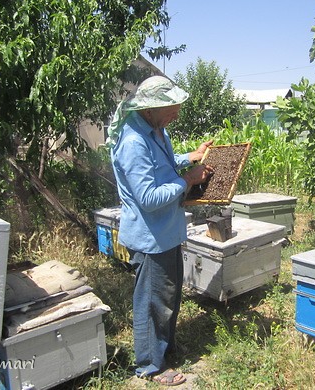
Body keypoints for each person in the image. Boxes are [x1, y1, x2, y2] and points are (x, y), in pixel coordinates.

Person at [109, 76, 213, 386]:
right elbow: (149, 198)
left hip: (166, 233)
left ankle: (163, 349)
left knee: (167, 297)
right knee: (152, 304)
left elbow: (163, 165)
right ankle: (149, 366)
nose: (177, 115)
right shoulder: (133, 142)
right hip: (150, 237)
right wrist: (188, 180)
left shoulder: (155, 130)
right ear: (151, 108)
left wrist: (188, 157)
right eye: (172, 109)